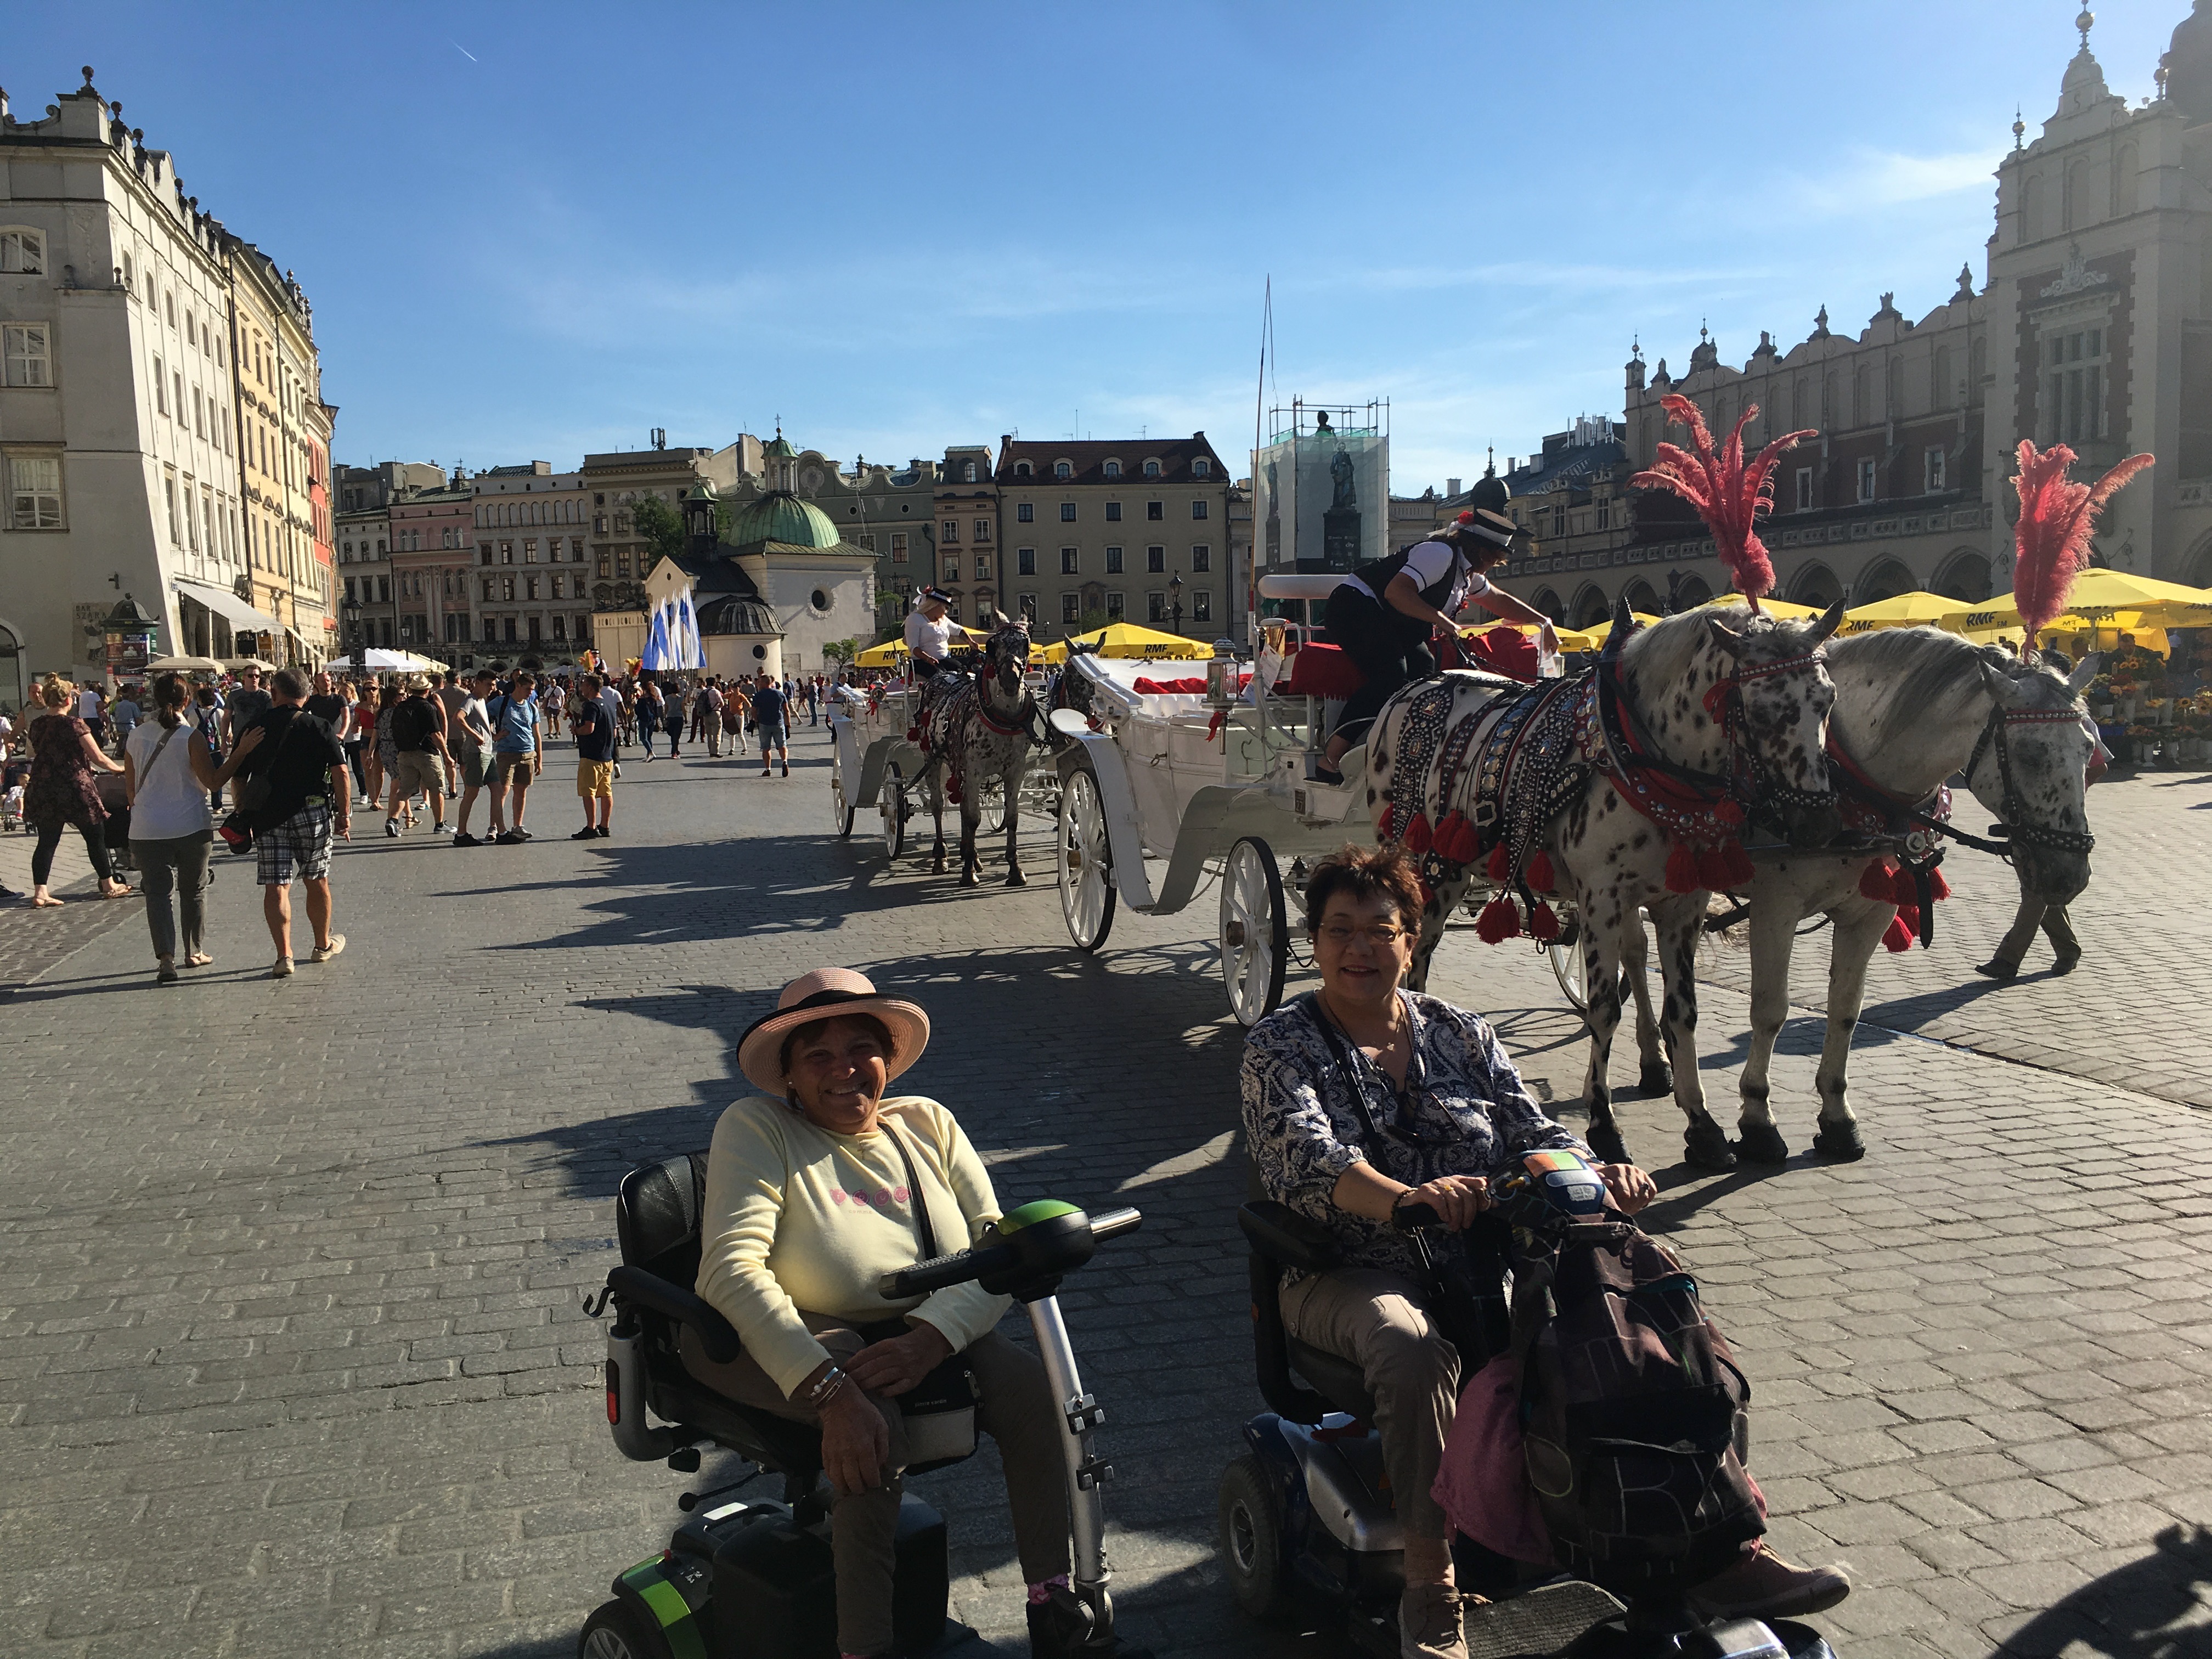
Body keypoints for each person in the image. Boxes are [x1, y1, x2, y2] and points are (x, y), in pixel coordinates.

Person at [1241, 845, 1846, 1659]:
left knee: (1657, 1318)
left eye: (1379, 930)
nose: (1359, 947)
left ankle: (1719, 1548)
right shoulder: (1280, 1045)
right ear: (1314, 941)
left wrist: (1598, 1175)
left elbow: (1535, 1131)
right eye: (1339, 930)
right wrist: (1407, 1199)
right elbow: (1305, 1158)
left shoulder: (1458, 1030)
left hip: (1493, 1258)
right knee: (1412, 1350)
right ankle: (1432, 1584)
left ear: (1411, 941)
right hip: (1349, 1266)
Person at [691, 968, 1087, 1659]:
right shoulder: (757, 1128)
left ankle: (1055, 1602)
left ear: (888, 1059)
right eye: (818, 1055)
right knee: (873, 1428)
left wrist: (932, 1338)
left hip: (921, 1329)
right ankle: (864, 1647)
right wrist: (828, 1390)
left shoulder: (928, 1123)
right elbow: (730, 1270)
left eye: (862, 1048)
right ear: (787, 1075)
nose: (844, 1069)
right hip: (789, 1331)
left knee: (1039, 1395)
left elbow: (997, 1247)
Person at [1316, 510, 1556, 784]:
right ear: (1477, 549)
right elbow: (1396, 592)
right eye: (1494, 557)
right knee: (1391, 676)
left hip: (1392, 620)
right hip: (1355, 607)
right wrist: (1444, 622)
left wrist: (1542, 620)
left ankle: (1405, 751)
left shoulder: (1467, 572)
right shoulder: (1439, 554)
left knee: (1425, 676)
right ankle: (1331, 758)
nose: (1494, 564)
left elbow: (1497, 599)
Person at [212, 668, 349, 977]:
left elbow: (238, 778)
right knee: (317, 879)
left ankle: (284, 955)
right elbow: (341, 772)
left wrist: (242, 812)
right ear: (307, 694)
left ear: (274, 694)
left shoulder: (255, 727)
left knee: (276, 885)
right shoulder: (320, 726)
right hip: (312, 813)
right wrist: (344, 814)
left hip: (267, 816)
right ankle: (321, 945)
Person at [124, 675, 222, 985]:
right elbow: (212, 782)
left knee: (157, 894)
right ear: (186, 701)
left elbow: (130, 792)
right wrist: (240, 756)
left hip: (147, 827)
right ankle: (194, 951)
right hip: (190, 824)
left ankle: (166, 959)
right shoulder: (190, 737)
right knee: (193, 891)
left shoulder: (136, 736)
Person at [23, 676, 132, 907]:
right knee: (95, 836)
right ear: (68, 700)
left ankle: (40, 892)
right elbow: (98, 757)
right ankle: (108, 884)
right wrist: (118, 769)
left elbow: (34, 751)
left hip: (43, 786)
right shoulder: (75, 724)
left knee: (47, 841)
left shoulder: (37, 724)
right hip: (74, 787)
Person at [383, 678, 450, 838]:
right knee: (437, 789)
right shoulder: (427, 707)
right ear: (427, 691)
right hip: (426, 753)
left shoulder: (400, 707)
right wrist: (447, 755)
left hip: (404, 754)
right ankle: (440, 824)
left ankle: (392, 820)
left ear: (412, 690)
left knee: (405, 790)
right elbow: (436, 733)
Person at [485, 671, 543, 844]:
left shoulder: (531, 707)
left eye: (532, 690)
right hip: (507, 754)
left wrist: (539, 758)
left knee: (521, 791)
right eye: (527, 689)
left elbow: (537, 734)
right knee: (502, 791)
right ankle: (494, 827)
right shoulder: (501, 703)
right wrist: (493, 736)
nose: (530, 693)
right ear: (518, 685)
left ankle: (517, 825)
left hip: (527, 753)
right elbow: (482, 718)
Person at [450, 668, 499, 847]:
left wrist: (492, 736)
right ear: (478, 683)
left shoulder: (481, 701)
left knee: (497, 789)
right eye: (489, 685)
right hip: (476, 753)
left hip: (487, 752)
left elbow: (481, 725)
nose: (492, 688)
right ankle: (461, 834)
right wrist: (474, 735)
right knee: (472, 793)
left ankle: (496, 829)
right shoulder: (470, 700)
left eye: (494, 685)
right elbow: (458, 718)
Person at [572, 674, 615, 840]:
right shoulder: (608, 705)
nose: (581, 688)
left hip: (591, 755)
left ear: (590, 686)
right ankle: (605, 825)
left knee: (588, 792)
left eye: (583, 685)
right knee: (606, 793)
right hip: (607, 756)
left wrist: (577, 730)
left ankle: (591, 826)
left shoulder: (591, 706)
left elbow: (589, 728)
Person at [904, 588, 958, 678]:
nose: (946, 611)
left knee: (961, 669)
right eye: (946, 607)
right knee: (942, 676)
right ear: (936, 605)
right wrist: (928, 658)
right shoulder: (915, 619)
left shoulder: (943, 619)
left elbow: (958, 630)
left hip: (943, 659)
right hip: (922, 661)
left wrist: (971, 642)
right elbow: (914, 648)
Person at [224, 665, 272, 752]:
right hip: (239, 739)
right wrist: (223, 742)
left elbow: (272, 719)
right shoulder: (234, 695)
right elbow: (226, 718)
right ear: (244, 678)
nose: (254, 678)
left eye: (257, 676)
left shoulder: (267, 697)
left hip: (260, 740)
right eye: (250, 676)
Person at [753, 671, 790, 779]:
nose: (759, 684)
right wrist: (788, 723)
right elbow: (786, 710)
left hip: (764, 723)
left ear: (764, 683)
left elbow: (753, 710)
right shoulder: (780, 694)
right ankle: (784, 761)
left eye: (760, 682)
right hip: (778, 722)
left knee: (766, 748)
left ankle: (768, 769)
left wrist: (756, 720)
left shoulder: (759, 695)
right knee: (782, 745)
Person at [635, 679, 665, 761]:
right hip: (653, 719)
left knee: (643, 738)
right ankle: (649, 755)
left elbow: (638, 710)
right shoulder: (653, 698)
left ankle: (650, 752)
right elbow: (656, 708)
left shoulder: (642, 699)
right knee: (649, 738)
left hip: (644, 719)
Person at [76, 680, 109, 748]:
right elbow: (102, 706)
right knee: (96, 735)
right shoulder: (94, 695)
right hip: (92, 717)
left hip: (83, 717)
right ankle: (98, 750)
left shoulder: (83, 694)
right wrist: (107, 705)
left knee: (85, 735)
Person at [110, 684, 142, 752]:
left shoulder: (117, 705)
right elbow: (138, 717)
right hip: (129, 726)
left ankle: (120, 750)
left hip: (119, 726)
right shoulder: (133, 705)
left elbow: (114, 714)